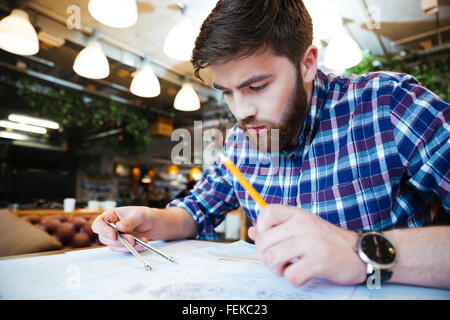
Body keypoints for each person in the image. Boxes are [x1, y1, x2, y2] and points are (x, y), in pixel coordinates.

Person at [92, 0, 450, 289]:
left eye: (257, 86)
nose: (241, 112)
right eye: (227, 93)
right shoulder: (239, 142)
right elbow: (197, 210)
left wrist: (359, 253)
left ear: (307, 63)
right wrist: (151, 219)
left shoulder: (388, 105)